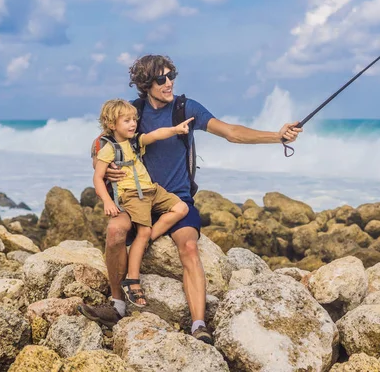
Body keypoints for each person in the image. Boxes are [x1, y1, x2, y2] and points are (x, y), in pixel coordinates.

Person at [79, 54, 302, 344]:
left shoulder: (186, 109)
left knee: (188, 246)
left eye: (171, 76)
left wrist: (277, 136)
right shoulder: (132, 112)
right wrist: (104, 167)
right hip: (136, 199)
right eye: (161, 79)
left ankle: (199, 325)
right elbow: (101, 145)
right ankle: (117, 305)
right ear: (146, 84)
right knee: (114, 231)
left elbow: (231, 133)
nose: (169, 83)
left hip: (176, 199)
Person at [93, 98, 194, 307]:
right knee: (143, 231)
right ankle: (132, 279)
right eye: (126, 121)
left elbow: (155, 135)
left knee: (181, 208)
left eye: (134, 120)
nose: (133, 124)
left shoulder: (134, 141)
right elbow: (97, 177)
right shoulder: (109, 148)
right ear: (112, 125)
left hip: (151, 190)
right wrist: (107, 201)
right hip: (132, 195)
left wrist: (175, 130)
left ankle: (143, 244)